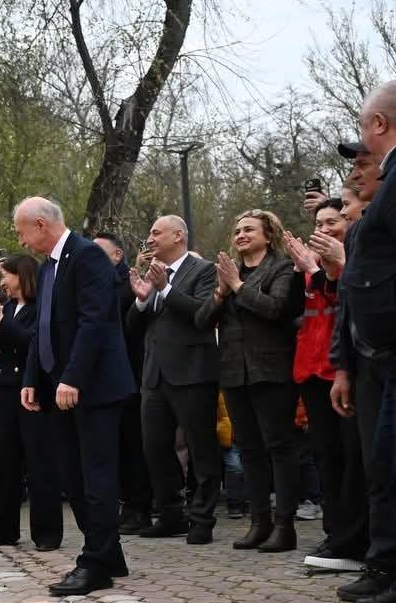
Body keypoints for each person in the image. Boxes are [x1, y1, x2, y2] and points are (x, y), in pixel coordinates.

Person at [17, 197, 134, 596]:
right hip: (59, 388)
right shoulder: (49, 266)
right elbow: (43, 325)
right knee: (72, 475)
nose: (20, 240)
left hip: (93, 388)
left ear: (40, 224)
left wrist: (73, 377)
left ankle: (96, 562)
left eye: (21, 231)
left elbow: (94, 321)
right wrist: (34, 376)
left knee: (95, 477)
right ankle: (110, 552)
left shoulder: (87, 257)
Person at [194, 210, 302, 552]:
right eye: (237, 230)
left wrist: (238, 286)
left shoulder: (281, 268)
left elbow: (276, 309)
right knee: (250, 450)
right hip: (234, 374)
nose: (240, 235)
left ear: (267, 235)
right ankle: (260, 522)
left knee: (279, 447)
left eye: (249, 229)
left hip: (271, 372)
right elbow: (201, 321)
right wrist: (221, 293)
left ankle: (285, 525)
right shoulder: (228, 273)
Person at [333, 85, 396, 603]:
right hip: (371, 354)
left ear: (377, 122)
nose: (356, 168)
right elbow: (352, 300)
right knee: (383, 465)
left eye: (361, 158)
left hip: (390, 351)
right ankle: (384, 569)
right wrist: (344, 365)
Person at [126, 216, 223, 545]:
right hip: (154, 376)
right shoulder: (153, 276)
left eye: (156, 232)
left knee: (201, 449)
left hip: (193, 373)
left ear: (178, 235)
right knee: (154, 447)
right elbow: (132, 327)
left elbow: (202, 313)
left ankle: (202, 518)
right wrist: (141, 298)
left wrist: (165, 288)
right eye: (150, 232)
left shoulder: (203, 270)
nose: (150, 238)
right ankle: (170, 513)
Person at [287, 198, 365, 572]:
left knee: (350, 458)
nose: (324, 228)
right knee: (326, 457)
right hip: (311, 371)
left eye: (333, 220)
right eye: (319, 222)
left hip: (341, 370)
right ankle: (335, 534)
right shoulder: (305, 268)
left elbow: (343, 300)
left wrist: (319, 271)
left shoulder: (353, 261)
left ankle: (351, 538)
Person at [0, 253, 61, 549]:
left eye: (6, 277)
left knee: (39, 463)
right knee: (2, 460)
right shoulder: (9, 307)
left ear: (22, 276)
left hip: (33, 391)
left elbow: (33, 342)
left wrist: (3, 323)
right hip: (4, 391)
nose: (2, 284)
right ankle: (3, 529)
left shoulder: (42, 308)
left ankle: (47, 533)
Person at [94, 232, 150, 535]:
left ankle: (138, 506)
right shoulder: (94, 284)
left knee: (133, 446)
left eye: (99, 251)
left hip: (131, 376)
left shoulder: (128, 286)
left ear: (117, 256)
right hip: (103, 380)